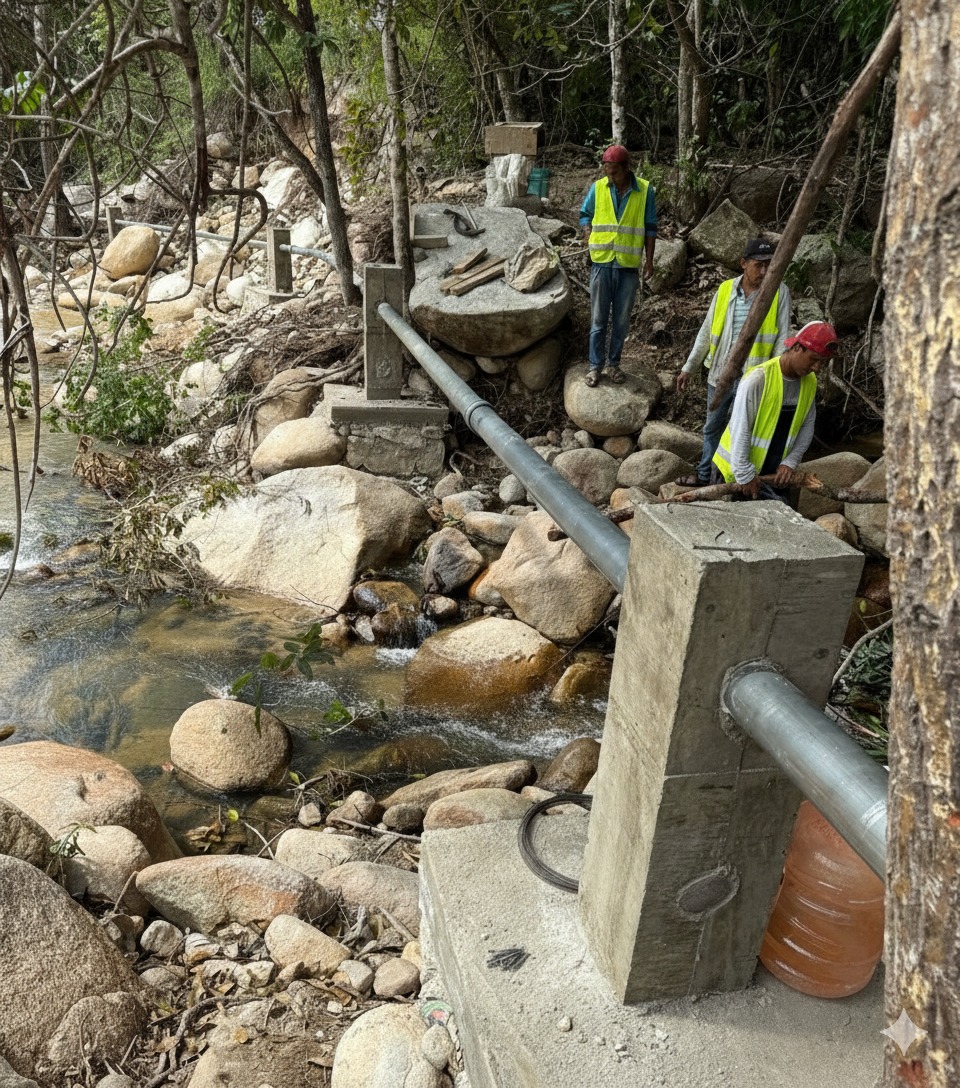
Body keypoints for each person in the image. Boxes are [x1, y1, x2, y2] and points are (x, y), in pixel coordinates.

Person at [676, 238, 792, 486]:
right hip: (721, 373)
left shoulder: (779, 292)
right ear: (743, 263)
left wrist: (777, 375)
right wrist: (689, 367)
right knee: (712, 426)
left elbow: (784, 337)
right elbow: (707, 331)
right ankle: (706, 475)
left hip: (755, 375)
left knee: (744, 429)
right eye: (758, 265)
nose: (763, 271)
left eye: (768, 266)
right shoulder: (725, 290)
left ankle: (734, 478)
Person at [712, 321, 839, 500]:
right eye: (814, 359)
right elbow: (741, 428)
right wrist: (744, 474)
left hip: (772, 476)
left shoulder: (810, 382)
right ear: (796, 347)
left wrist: (790, 462)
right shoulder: (758, 379)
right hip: (733, 474)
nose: (817, 368)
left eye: (823, 362)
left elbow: (806, 426)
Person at [579, 145, 657, 387]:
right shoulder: (598, 188)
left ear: (626, 169)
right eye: (607, 171)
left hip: (627, 266)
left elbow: (651, 227)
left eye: (614, 172)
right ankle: (595, 366)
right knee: (598, 319)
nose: (610, 176)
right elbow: (585, 213)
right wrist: (586, 228)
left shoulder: (645, 191)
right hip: (601, 263)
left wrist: (650, 260)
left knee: (621, 321)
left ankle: (613, 364)